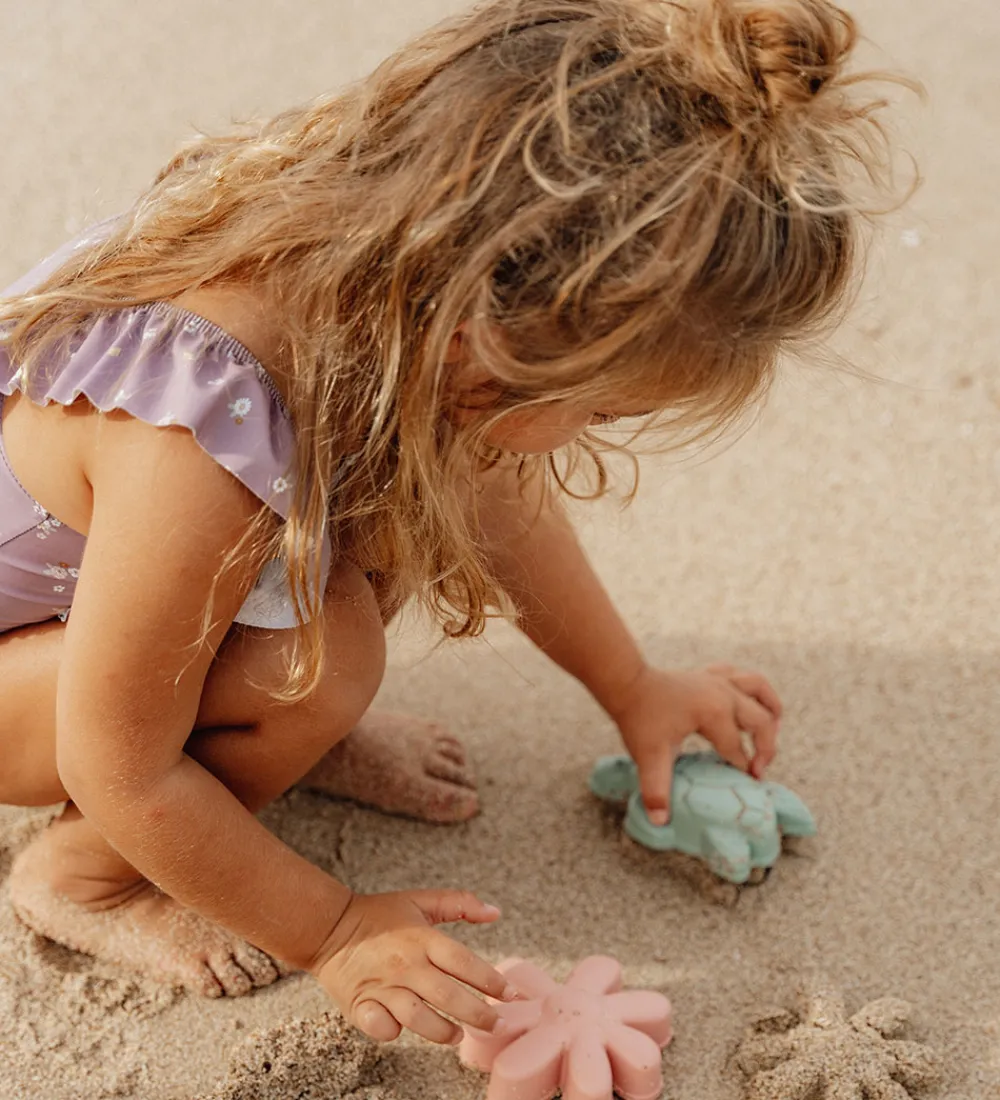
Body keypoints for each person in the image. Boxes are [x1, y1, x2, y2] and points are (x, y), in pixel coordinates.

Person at [0, 0, 902, 1047]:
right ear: (484, 334)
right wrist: (334, 929)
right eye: (604, 408)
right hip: (38, 680)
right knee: (322, 657)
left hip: (119, 607)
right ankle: (82, 875)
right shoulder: (198, 435)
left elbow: (494, 496)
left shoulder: (390, 281)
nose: (599, 431)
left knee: (400, 510)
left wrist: (633, 685)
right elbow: (121, 764)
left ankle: (260, 734)